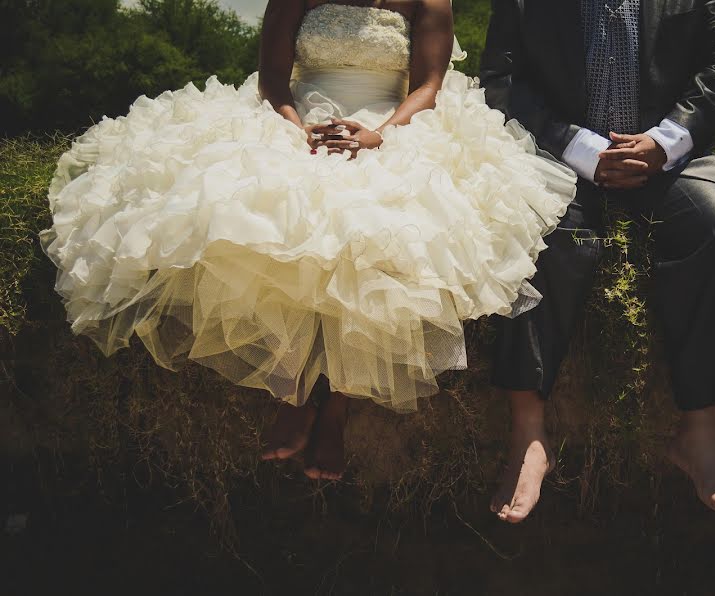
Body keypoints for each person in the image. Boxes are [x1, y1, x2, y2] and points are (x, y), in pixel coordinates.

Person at [40, 0, 577, 481]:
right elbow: (272, 77)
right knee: (274, 211)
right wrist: (294, 131)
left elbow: (429, 85)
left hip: (392, 120)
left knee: (372, 220)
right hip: (297, 115)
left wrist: (380, 134)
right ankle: (293, 388)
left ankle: (337, 407)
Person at [481, 0, 715, 522]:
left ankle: (700, 434)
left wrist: (665, 141)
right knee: (535, 230)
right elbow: (502, 79)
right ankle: (528, 437)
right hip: (556, 159)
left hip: (672, 165)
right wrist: (578, 147)